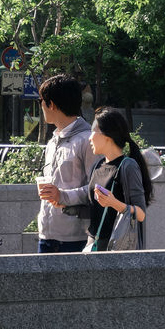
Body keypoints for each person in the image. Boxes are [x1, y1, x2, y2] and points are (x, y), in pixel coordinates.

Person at [35, 74, 102, 253]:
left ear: (52, 104)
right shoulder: (52, 141)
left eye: (41, 100)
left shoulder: (88, 140)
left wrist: (63, 196)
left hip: (76, 237)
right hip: (47, 233)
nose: (40, 105)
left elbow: (98, 188)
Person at [85, 107, 153, 251]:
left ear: (107, 136)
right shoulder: (97, 166)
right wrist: (61, 199)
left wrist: (113, 203)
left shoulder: (128, 166)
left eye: (93, 131)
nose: (89, 137)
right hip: (94, 244)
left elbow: (140, 214)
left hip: (117, 246)